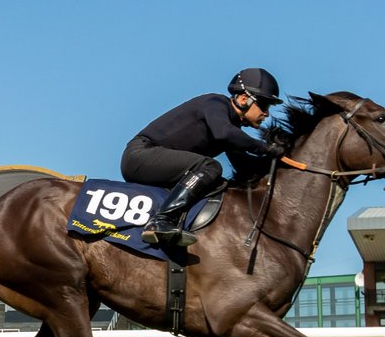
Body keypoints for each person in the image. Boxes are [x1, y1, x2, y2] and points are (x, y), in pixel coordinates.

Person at [121, 68, 286, 246]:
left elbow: (245, 168)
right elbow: (225, 133)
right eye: (264, 105)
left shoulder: (231, 129)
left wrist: (278, 161)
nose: (267, 113)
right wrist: (264, 148)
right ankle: (161, 220)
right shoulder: (215, 103)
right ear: (244, 99)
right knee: (210, 167)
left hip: (152, 161)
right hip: (140, 156)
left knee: (218, 182)